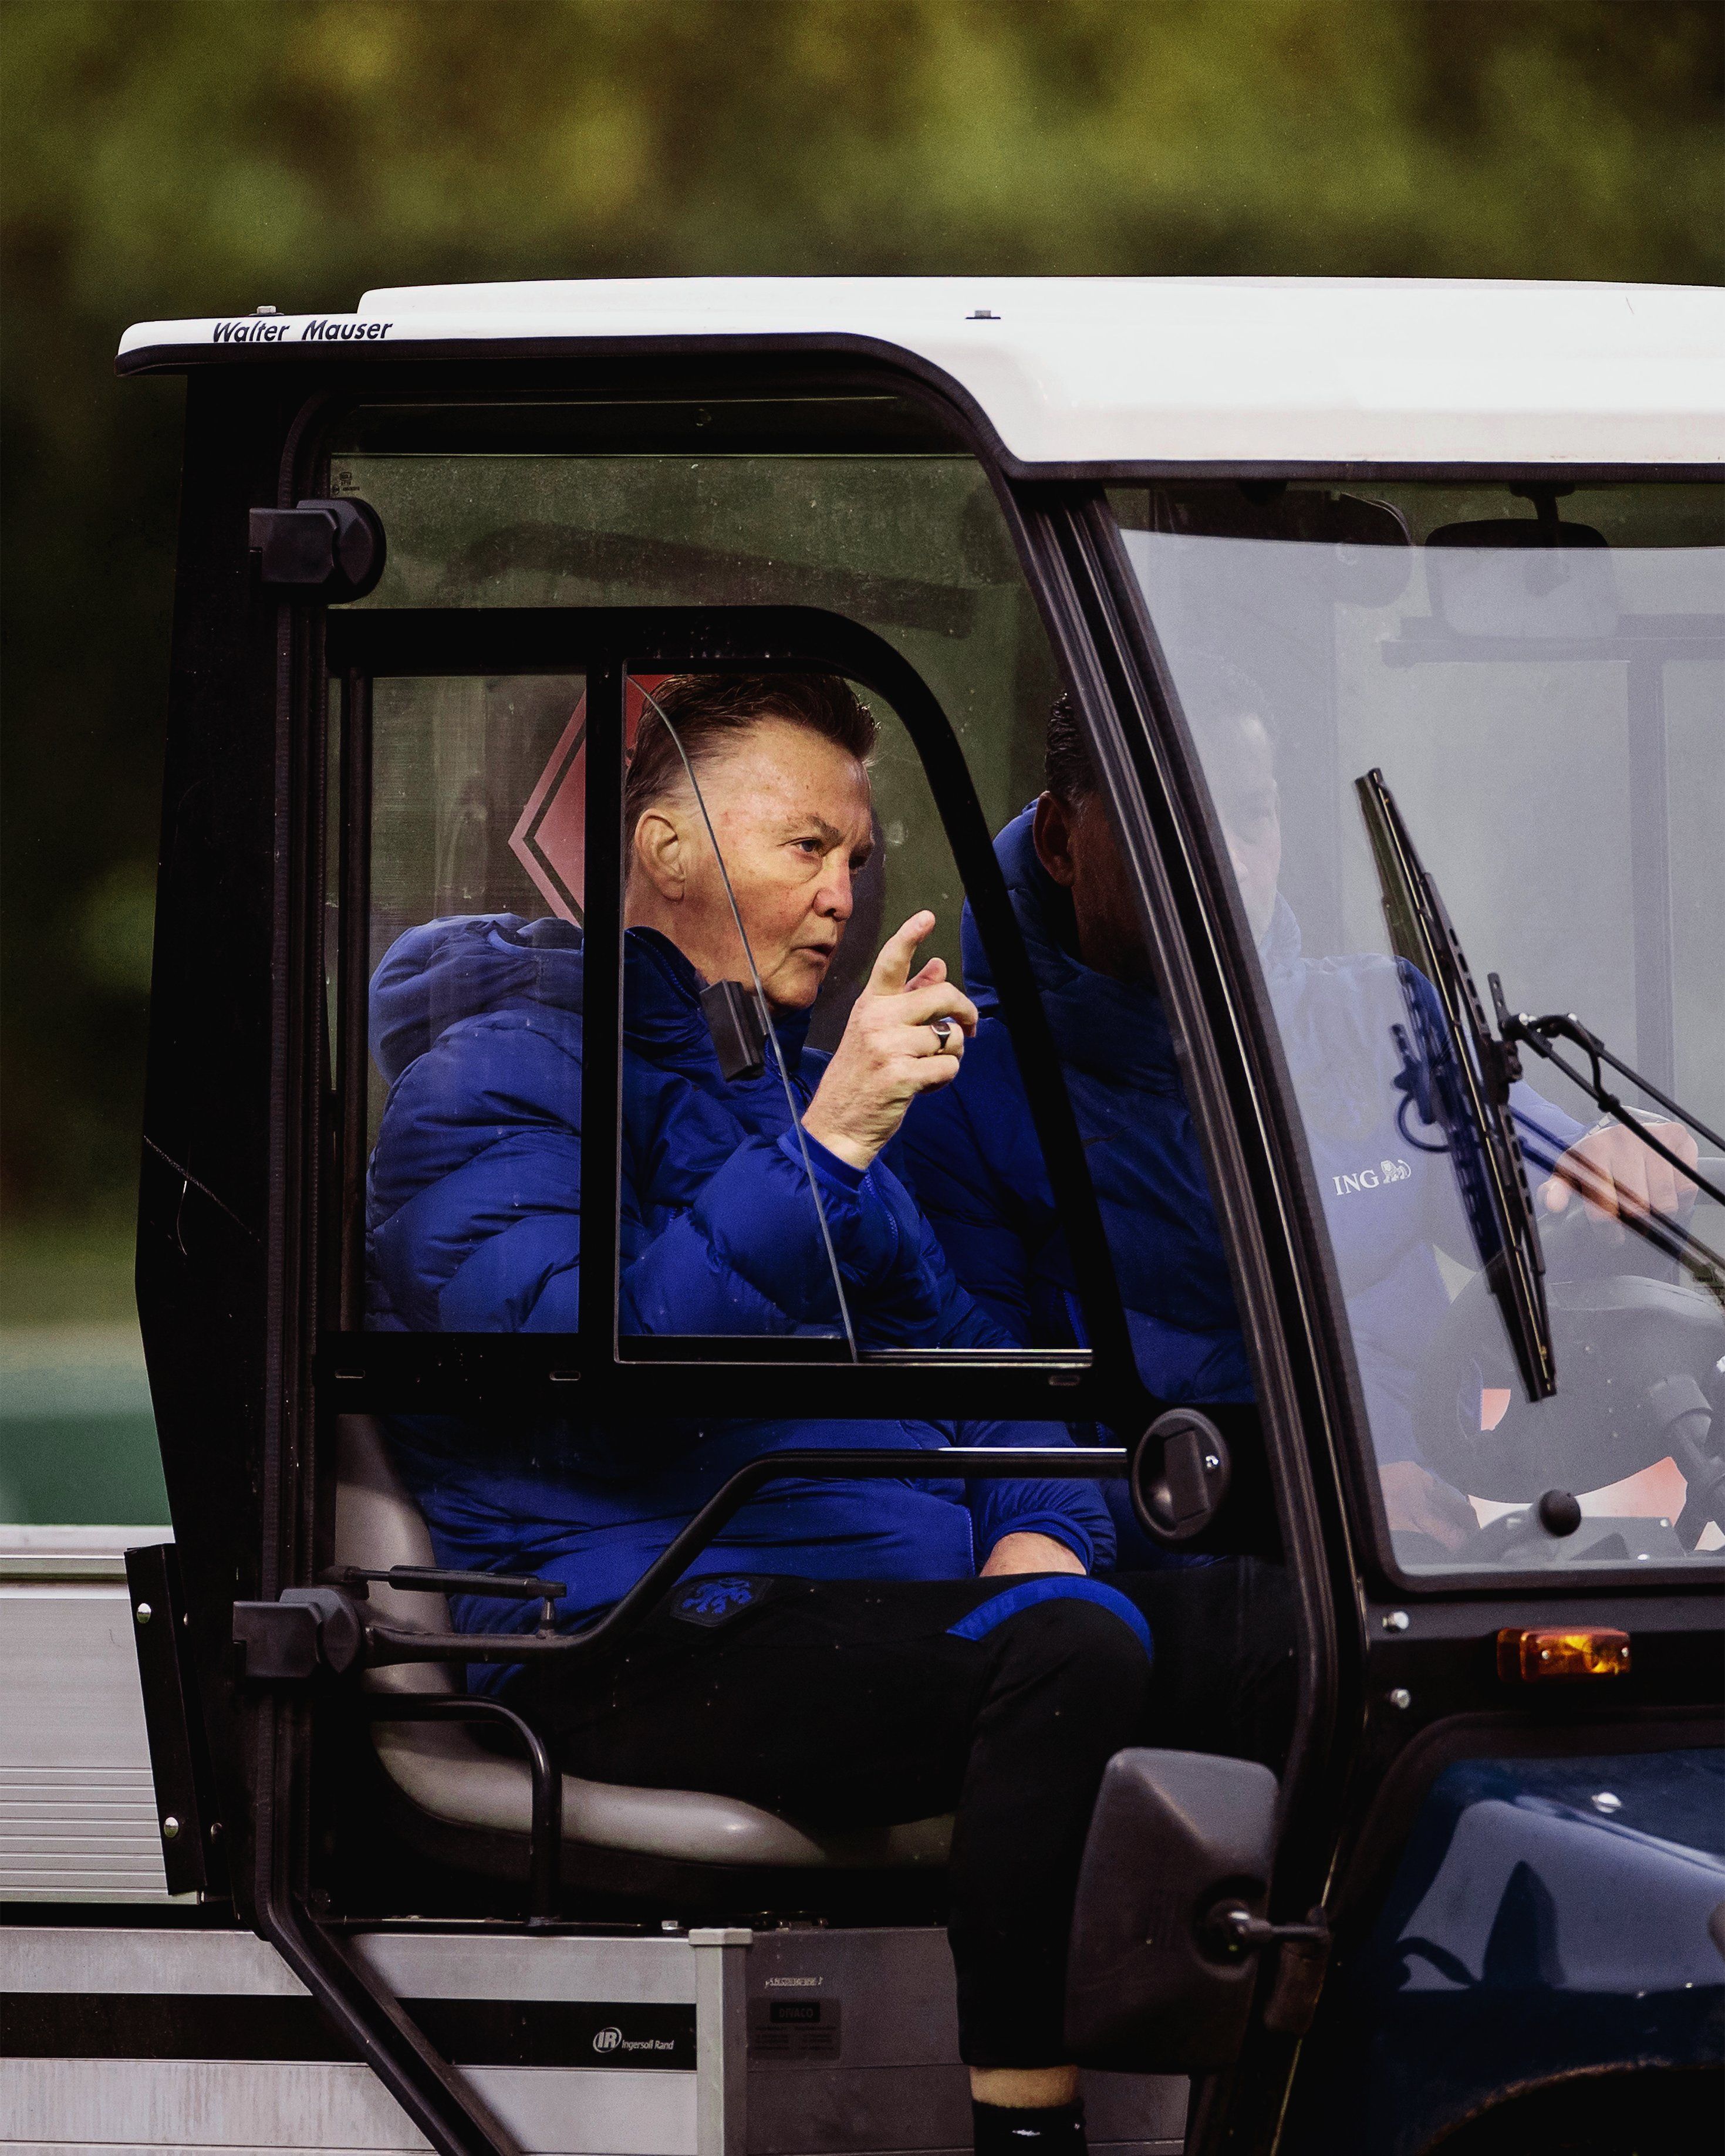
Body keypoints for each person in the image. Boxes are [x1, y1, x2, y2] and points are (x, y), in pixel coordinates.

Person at [366, 673, 1292, 2152]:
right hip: (636, 1624)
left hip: (855, 1605)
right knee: (1063, 1654)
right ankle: (1028, 2134)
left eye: (858, 860)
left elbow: (979, 1373)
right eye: (807, 848)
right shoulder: (489, 1086)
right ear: (664, 851)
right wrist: (832, 1144)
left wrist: (1043, 1530)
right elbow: (577, 1370)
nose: (846, 898)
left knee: (1284, 1637)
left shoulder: (769, 1089)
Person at [899, 676, 1698, 1559]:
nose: (1232, 861)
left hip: (1437, 1543)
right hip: (1180, 1569)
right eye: (1174, 821)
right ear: (1059, 839)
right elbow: (1002, 1439)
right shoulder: (966, 1092)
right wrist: (1310, 1493)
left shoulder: (1384, 1017)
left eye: (1253, 815)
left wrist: (1618, 1184)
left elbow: (1538, 1206)